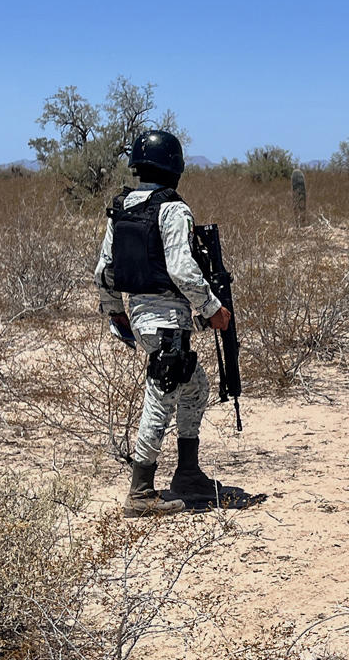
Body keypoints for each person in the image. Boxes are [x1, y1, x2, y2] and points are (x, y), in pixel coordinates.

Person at [94, 129, 259, 514]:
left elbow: (104, 270)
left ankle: (187, 472)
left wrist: (115, 309)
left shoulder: (122, 207)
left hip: (142, 314)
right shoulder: (172, 209)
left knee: (196, 387)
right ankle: (141, 490)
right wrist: (212, 309)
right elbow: (183, 271)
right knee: (161, 394)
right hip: (168, 317)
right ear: (175, 165)